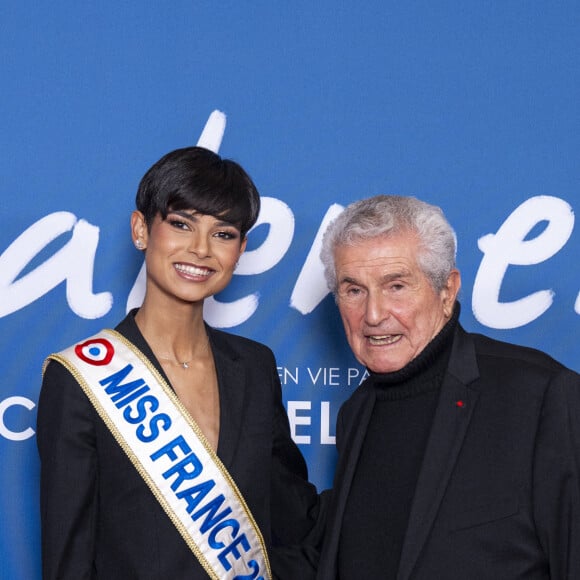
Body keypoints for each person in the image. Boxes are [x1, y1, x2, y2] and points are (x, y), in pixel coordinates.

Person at [37, 146, 320, 579]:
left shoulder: (255, 368)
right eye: (181, 224)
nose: (201, 249)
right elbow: (68, 559)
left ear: (240, 249)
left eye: (223, 234)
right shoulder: (81, 378)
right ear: (141, 230)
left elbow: (294, 519)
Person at [316, 194, 580, 579]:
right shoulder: (355, 413)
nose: (373, 315)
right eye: (354, 290)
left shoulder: (539, 396)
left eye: (396, 287)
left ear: (447, 291)